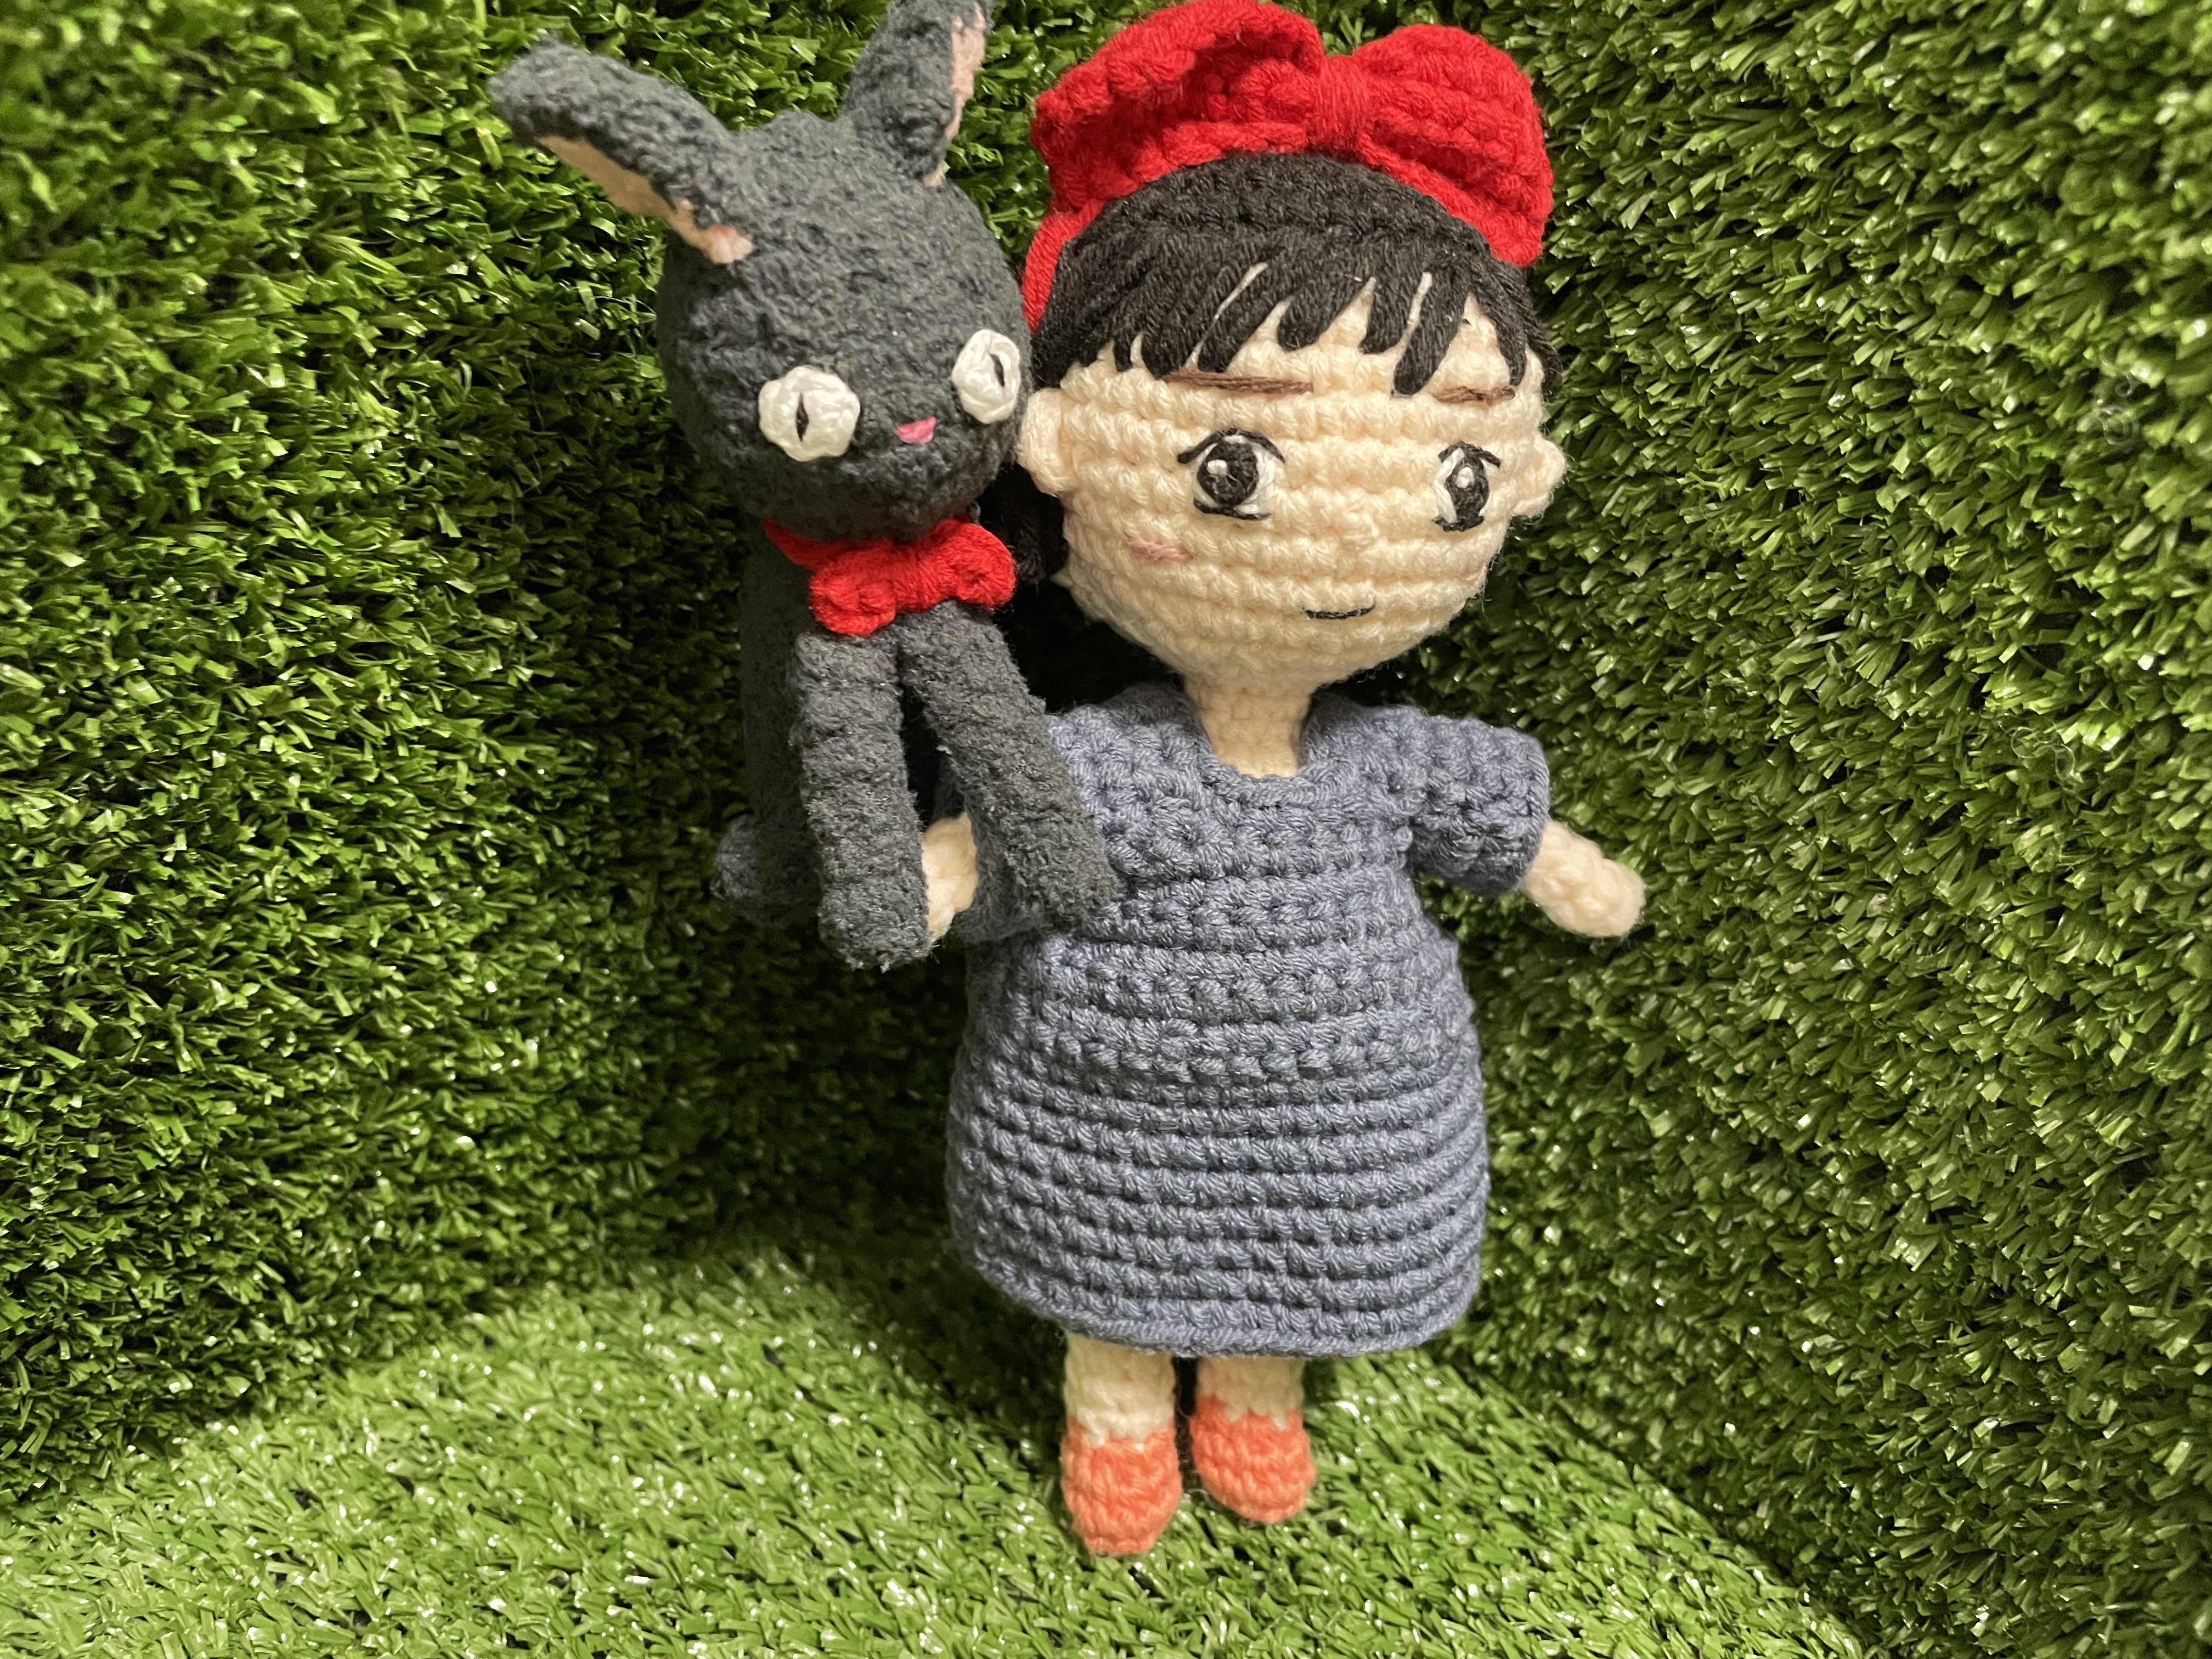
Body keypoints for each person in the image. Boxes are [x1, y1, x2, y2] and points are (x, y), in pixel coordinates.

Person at [918, 0, 1646, 1555]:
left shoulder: (1387, 764)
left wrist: (1552, 860)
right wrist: (926, 876)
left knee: (1301, 1252)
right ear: (1063, 446)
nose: (1349, 549)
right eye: (1232, 467)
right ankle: (1117, 1410)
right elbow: (993, 841)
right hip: (1107, 1103)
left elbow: (1486, 815)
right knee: (1111, 1243)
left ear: (1515, 481)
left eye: (1457, 473)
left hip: (1348, 1114)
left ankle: (1257, 1400)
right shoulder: (1099, 761)